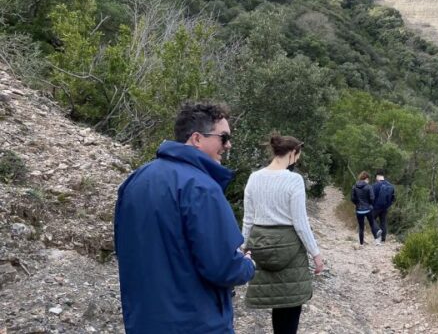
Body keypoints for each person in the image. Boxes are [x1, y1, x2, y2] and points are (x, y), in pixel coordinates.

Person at [114, 101, 255, 334]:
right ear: (197, 139)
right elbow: (222, 267)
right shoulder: (202, 188)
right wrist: (247, 264)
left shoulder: (136, 179)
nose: (228, 145)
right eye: (224, 137)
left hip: (145, 322)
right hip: (197, 323)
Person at [241, 134, 324, 334]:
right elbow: (300, 222)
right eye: (298, 156)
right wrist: (316, 254)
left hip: (261, 244)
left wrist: (242, 247)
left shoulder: (254, 178)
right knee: (289, 304)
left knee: (276, 299)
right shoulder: (294, 180)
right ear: (293, 153)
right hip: (289, 247)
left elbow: (248, 219)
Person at [350, 171, 382, 245]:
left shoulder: (354, 186)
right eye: (368, 179)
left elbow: (352, 198)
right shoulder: (368, 187)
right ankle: (377, 240)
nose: (368, 181)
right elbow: (372, 198)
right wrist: (370, 204)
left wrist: (357, 204)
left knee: (361, 227)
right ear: (366, 178)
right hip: (368, 209)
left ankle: (361, 243)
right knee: (372, 223)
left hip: (359, 210)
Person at [372, 170, 396, 243]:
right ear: (383, 176)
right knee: (383, 221)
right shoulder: (391, 186)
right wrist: (388, 205)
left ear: (377, 176)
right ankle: (383, 239)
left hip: (376, 207)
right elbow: (393, 199)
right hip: (385, 207)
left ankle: (377, 230)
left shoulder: (375, 185)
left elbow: (371, 197)